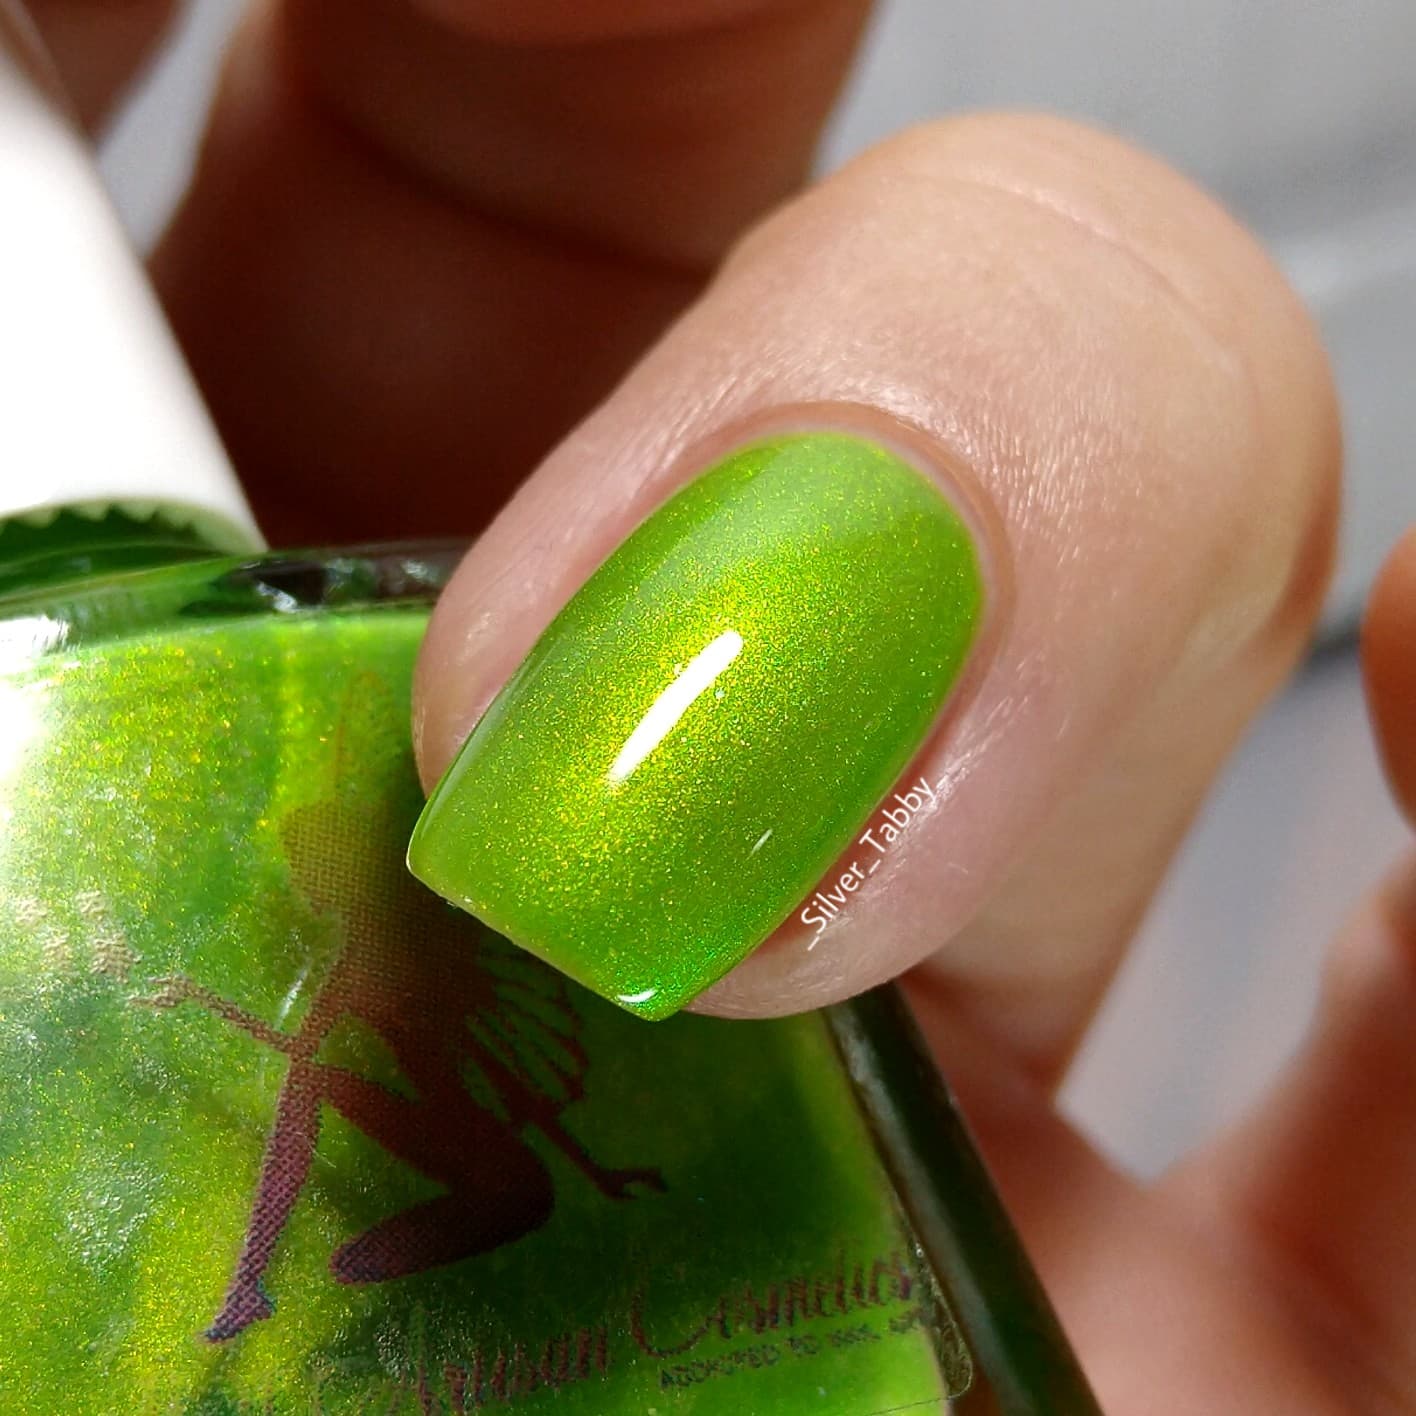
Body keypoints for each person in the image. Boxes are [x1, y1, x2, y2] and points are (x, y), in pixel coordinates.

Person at [31, 1, 1413, 1407]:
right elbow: (319, 1112)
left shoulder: (373, 922)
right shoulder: (344, 983)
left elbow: (373, 1110)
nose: (323, 873)